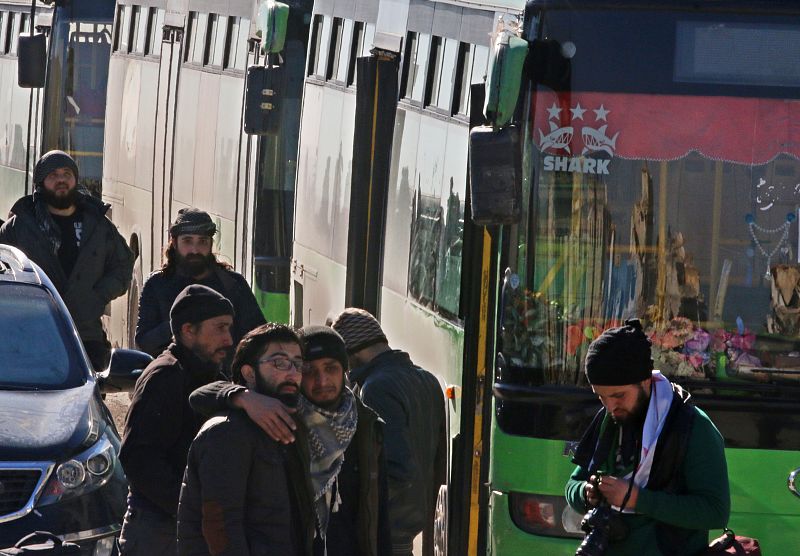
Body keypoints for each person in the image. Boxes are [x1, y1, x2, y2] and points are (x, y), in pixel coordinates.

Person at [189, 325, 392, 556]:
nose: (322, 380)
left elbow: (379, 515)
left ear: (344, 372)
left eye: (331, 368)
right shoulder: (280, 417)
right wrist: (242, 397)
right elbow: (222, 524)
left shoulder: (365, 425)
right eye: (309, 370)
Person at [565, 319, 730, 555]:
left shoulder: (693, 426)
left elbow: (715, 511)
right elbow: (573, 485)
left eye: (619, 396)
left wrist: (638, 500)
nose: (611, 406)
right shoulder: (608, 420)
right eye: (601, 397)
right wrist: (586, 493)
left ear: (645, 381)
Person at [177, 323, 315, 556]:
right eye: (280, 363)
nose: (292, 373)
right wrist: (241, 397)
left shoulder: (292, 422)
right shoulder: (228, 432)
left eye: (298, 364)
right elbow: (220, 529)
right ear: (249, 373)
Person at [118, 285, 235, 555]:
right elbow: (138, 457)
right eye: (220, 328)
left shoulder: (208, 373)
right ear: (188, 331)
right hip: (159, 532)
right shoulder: (166, 376)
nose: (228, 339)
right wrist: (188, 506)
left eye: (229, 328)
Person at [0, 150, 133, 370]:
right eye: (53, 175)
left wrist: (97, 296)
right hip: (31, 335)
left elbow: (123, 266)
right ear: (41, 183)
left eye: (67, 173)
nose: (61, 179)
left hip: (86, 336)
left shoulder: (98, 225)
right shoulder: (20, 227)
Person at [331, 308, 445, 556]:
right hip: (412, 523)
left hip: (386, 528)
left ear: (353, 355)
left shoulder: (376, 388)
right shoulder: (428, 380)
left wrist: (356, 506)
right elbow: (438, 462)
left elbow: (395, 468)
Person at [135, 207, 265, 365]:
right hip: (174, 379)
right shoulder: (157, 284)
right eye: (187, 241)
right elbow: (144, 342)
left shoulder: (233, 284)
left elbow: (258, 338)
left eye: (202, 242)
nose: (195, 250)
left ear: (210, 244)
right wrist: (179, 322)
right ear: (175, 243)